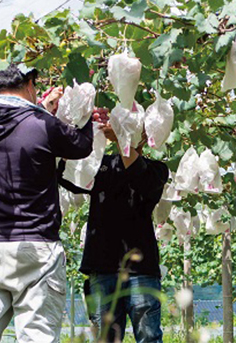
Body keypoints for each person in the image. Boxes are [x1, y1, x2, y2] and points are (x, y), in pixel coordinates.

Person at [0, 63, 106, 342]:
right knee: (36, 336)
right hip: (36, 248)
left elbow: (18, 129)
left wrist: (41, 107)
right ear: (29, 84)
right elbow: (80, 146)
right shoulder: (41, 124)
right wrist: (87, 117)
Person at [60, 123, 169, 343]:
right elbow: (70, 177)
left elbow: (140, 177)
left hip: (141, 271)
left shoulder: (157, 170)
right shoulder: (102, 166)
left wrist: (121, 140)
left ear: (145, 137)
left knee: (148, 336)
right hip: (102, 268)